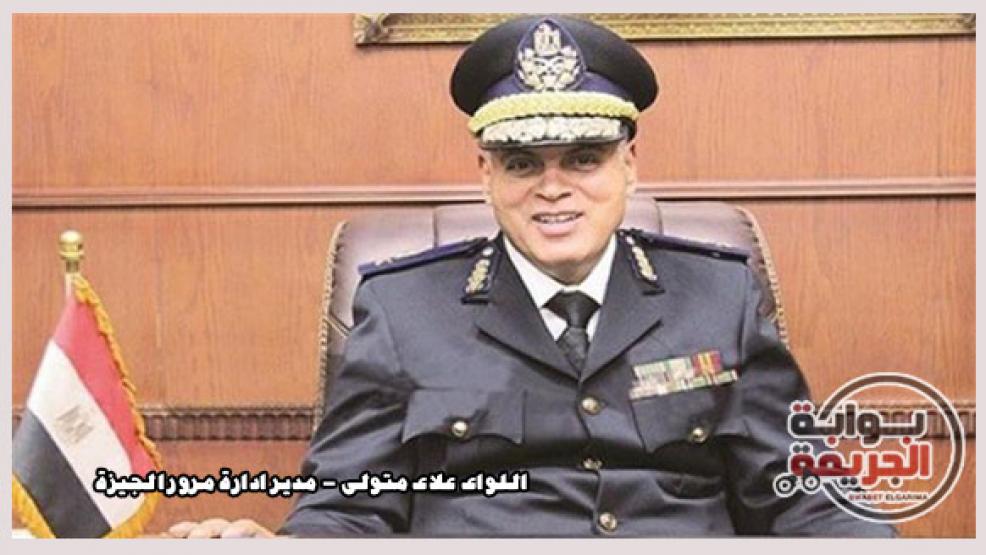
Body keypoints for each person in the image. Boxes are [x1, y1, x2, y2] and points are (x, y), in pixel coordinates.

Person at [169, 14, 896, 538]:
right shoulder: (403, 310)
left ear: (629, 165)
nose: (553, 188)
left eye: (583, 158)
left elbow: (806, 495)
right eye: (522, 163)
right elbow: (348, 508)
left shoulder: (718, 297)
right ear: (485, 174)